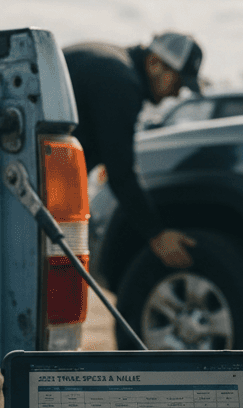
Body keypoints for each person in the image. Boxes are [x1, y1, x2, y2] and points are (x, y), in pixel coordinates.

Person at [63, 32, 203, 269]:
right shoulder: (121, 81)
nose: (178, 93)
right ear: (154, 63)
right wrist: (156, 234)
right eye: (178, 81)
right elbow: (122, 173)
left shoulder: (111, 59)